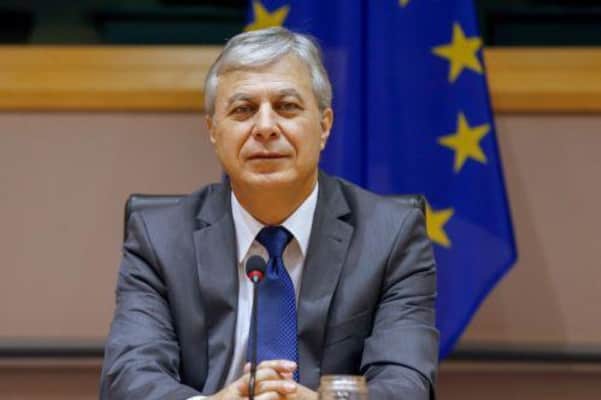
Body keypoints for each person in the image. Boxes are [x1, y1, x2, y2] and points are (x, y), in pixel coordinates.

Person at [100, 27, 438, 400]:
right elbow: (129, 376)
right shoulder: (160, 238)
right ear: (213, 130)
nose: (264, 128)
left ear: (324, 125)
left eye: (286, 107)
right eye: (243, 110)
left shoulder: (390, 235)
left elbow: (407, 384)